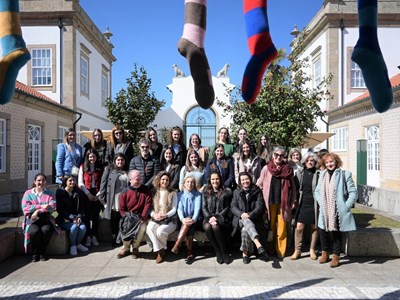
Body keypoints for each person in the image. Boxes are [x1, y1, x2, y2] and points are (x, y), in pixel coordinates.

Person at [314, 152, 357, 268]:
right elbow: (317, 191)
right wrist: (321, 202)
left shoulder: (345, 174)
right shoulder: (322, 175)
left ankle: (336, 256)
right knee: (322, 230)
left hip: (338, 209)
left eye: (331, 161)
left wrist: (346, 205)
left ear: (336, 162)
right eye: (327, 162)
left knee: (336, 232)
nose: (329, 164)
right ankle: (325, 253)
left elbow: (353, 192)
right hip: (325, 208)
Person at [257, 146, 297, 259]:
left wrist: (293, 200)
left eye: (281, 155)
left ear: (284, 157)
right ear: (273, 155)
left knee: (282, 227)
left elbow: (293, 187)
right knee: (271, 227)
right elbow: (259, 184)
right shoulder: (266, 168)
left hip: (283, 203)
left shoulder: (288, 169)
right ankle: (270, 249)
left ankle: (280, 251)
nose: (278, 157)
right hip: (269, 203)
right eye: (276, 155)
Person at [231, 172, 269, 264]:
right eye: (242, 180)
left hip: (253, 219)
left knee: (245, 230)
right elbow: (233, 206)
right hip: (240, 219)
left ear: (250, 179)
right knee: (245, 221)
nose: (245, 181)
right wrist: (241, 214)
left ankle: (244, 254)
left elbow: (259, 206)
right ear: (240, 181)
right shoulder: (236, 192)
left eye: (246, 179)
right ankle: (258, 244)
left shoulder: (256, 191)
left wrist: (250, 215)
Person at [21, 173, 59, 262]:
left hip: (45, 219)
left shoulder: (50, 193)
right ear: (34, 182)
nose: (41, 182)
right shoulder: (28, 193)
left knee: (46, 231)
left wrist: (37, 211)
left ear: (46, 182)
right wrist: (40, 207)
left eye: (43, 180)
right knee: (35, 232)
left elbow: (52, 207)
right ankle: (35, 253)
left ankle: (42, 251)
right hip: (32, 220)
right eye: (39, 180)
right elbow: (25, 207)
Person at [290, 152, 320, 261]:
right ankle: (297, 250)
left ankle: (312, 249)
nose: (309, 162)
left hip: (314, 202)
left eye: (312, 161)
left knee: (314, 226)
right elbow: (295, 187)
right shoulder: (299, 173)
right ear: (304, 162)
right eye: (307, 160)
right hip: (302, 202)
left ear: (315, 162)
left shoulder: (319, 173)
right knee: (299, 227)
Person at [116, 170, 152, 259]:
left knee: (142, 227)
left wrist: (143, 217)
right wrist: (127, 217)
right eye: (137, 179)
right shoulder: (125, 192)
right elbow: (121, 209)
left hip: (141, 216)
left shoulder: (146, 190)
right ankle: (126, 248)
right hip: (129, 216)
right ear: (130, 180)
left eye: (140, 178)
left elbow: (147, 205)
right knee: (125, 226)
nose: (139, 180)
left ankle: (135, 248)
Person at [146, 171, 178, 264]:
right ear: (159, 180)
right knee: (149, 228)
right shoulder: (153, 191)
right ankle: (160, 250)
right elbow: (149, 208)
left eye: (167, 180)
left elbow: (174, 209)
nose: (165, 181)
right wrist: (153, 215)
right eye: (163, 179)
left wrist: (166, 215)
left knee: (160, 231)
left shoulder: (173, 192)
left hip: (170, 219)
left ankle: (159, 251)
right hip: (156, 218)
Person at [98, 153, 129, 246]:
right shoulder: (109, 169)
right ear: (115, 161)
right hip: (113, 198)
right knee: (114, 219)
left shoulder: (127, 171)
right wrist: (103, 200)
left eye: (122, 160)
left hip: (124, 199)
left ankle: (120, 238)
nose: (120, 162)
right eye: (118, 160)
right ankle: (114, 237)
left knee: (122, 219)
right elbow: (103, 184)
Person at [202, 171, 232, 264]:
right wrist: (209, 218)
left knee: (215, 227)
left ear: (220, 179)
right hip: (208, 217)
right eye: (213, 179)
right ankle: (217, 251)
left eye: (217, 179)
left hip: (222, 218)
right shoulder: (205, 191)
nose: (215, 181)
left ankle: (223, 252)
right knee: (207, 226)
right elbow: (203, 207)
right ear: (210, 181)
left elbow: (227, 207)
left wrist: (217, 217)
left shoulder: (226, 191)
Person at [171, 176, 202, 261]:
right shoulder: (180, 194)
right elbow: (179, 208)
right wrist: (182, 219)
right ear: (184, 184)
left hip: (195, 220)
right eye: (188, 182)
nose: (190, 184)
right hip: (183, 220)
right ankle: (189, 251)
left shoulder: (198, 194)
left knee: (190, 226)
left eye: (192, 182)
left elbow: (197, 209)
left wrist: (193, 219)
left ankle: (177, 245)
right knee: (188, 226)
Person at [56, 176, 88, 256]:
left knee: (83, 228)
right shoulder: (60, 192)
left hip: (76, 217)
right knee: (74, 228)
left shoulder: (78, 193)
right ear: (65, 182)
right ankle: (73, 246)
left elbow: (81, 207)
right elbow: (60, 209)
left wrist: (79, 217)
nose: (72, 182)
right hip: (64, 219)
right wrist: (71, 218)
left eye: (74, 180)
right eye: (70, 180)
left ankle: (78, 244)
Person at [78, 148, 103, 247]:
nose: (92, 158)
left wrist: (98, 195)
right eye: (90, 157)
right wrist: (88, 194)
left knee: (96, 217)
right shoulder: (82, 167)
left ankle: (94, 236)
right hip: (86, 194)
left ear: (96, 157)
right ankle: (88, 236)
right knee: (87, 216)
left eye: (94, 156)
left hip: (97, 194)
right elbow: (80, 182)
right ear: (87, 158)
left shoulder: (100, 168)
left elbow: (103, 183)